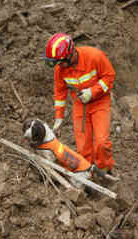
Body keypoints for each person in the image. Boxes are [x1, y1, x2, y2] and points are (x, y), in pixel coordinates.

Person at [43, 33, 116, 174]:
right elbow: (60, 93)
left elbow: (109, 76)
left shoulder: (94, 56)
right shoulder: (60, 69)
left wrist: (93, 92)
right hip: (80, 104)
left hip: (100, 102)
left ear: (71, 55)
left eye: (61, 62)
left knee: (101, 144)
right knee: (83, 148)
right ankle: (88, 174)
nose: (59, 66)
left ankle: (105, 171)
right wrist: (59, 117)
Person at [23, 118, 107, 187]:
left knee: (76, 184)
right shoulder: (48, 137)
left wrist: (47, 182)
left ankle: (90, 188)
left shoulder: (48, 149)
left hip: (80, 172)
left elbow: (50, 167)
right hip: (84, 166)